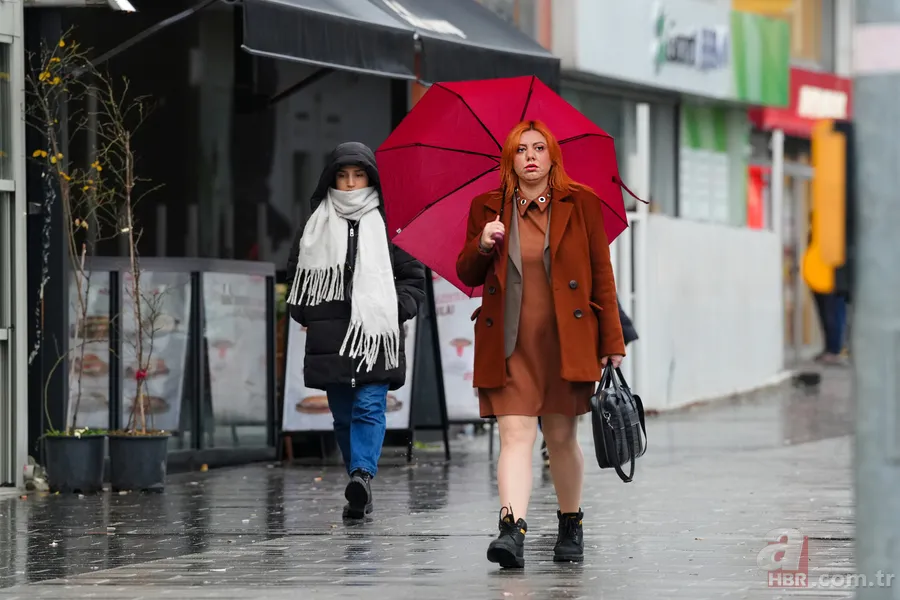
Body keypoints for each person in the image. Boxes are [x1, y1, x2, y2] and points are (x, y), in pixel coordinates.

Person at [456, 120, 626, 568]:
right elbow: (467, 273)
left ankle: (571, 524)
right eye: (520, 150)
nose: (530, 157)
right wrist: (483, 242)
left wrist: (613, 341)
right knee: (514, 436)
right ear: (509, 159)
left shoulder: (582, 204)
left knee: (562, 437)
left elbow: (601, 276)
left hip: (564, 344)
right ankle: (511, 530)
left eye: (539, 148)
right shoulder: (488, 208)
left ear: (553, 156)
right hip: (508, 344)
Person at [286, 142, 425, 520]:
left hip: (375, 335)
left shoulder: (389, 222)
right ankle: (357, 486)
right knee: (344, 416)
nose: (350, 183)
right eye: (343, 176)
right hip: (331, 337)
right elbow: (296, 275)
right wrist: (307, 312)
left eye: (358, 175)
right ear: (332, 178)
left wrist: (391, 309)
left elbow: (414, 279)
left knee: (368, 406)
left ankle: (362, 476)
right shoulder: (316, 223)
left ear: (371, 177)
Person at [540, 296, 637, 464]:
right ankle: (549, 440)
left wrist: (612, 344)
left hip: (584, 331)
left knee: (560, 424)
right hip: (586, 330)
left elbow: (606, 294)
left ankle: (550, 440)